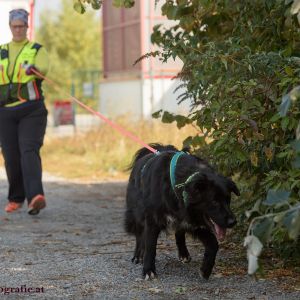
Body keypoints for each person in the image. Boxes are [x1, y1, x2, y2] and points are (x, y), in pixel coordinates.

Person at [0, 8, 49, 215]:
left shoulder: (37, 49)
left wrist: (34, 69)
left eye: (21, 26)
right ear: (10, 27)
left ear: (27, 27)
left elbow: (44, 68)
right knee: (10, 155)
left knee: (28, 150)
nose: (18, 29)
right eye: (14, 26)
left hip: (32, 110)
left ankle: (36, 197)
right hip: (5, 111)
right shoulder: (1, 50)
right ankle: (16, 198)